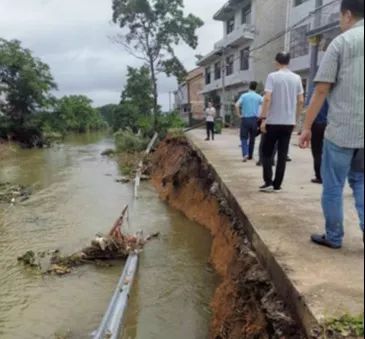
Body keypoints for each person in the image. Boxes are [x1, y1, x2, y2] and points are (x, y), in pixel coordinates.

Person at [299, 0, 364, 249]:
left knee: (333, 185)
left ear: (347, 14)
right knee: (361, 182)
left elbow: (321, 90)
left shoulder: (342, 42)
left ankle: (334, 236)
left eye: (340, 17)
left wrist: (306, 127)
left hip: (341, 132)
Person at [259, 52, 305, 192]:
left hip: (273, 121)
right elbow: (301, 100)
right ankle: (277, 185)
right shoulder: (297, 78)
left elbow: (267, 98)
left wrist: (263, 119)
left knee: (266, 152)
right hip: (288, 123)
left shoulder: (272, 77)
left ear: (276, 62)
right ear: (289, 62)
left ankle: (268, 182)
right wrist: (295, 119)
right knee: (282, 154)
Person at [235, 81, 263, 162]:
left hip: (245, 119)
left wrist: (239, 115)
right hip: (254, 119)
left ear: (249, 87)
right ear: (256, 87)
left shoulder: (244, 96)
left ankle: (245, 154)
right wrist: (261, 116)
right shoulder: (258, 97)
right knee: (252, 138)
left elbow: (236, 105)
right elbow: (265, 104)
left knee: (244, 138)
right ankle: (250, 155)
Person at [307, 85, 329, 184]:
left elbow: (309, 107)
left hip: (316, 124)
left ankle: (319, 176)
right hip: (329, 124)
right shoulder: (333, 91)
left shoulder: (314, 90)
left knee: (317, 152)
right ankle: (328, 175)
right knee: (328, 151)